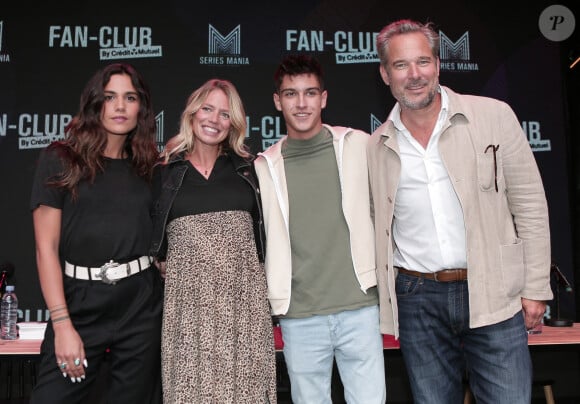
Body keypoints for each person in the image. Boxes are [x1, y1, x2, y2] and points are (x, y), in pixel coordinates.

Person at [367, 19, 553, 404]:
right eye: (401, 65)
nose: (414, 75)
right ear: (385, 74)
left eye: (423, 61)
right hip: (417, 298)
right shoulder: (375, 146)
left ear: (438, 64)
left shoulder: (493, 116)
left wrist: (535, 287)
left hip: (493, 288)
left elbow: (530, 205)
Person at [254, 55, 386, 404]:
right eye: (291, 94)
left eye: (310, 93)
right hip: (299, 315)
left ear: (324, 98)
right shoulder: (263, 167)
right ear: (277, 101)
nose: (301, 103)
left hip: (360, 306)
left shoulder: (358, 145)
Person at [29, 63, 163, 404]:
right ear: (94, 104)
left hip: (140, 308)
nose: (120, 106)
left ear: (141, 109)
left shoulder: (150, 167)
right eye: (109, 97)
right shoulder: (60, 159)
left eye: (130, 98)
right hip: (80, 307)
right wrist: (62, 325)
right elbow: (46, 248)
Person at [149, 78, 277, 404]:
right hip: (188, 309)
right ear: (192, 113)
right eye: (207, 109)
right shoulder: (164, 173)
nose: (214, 120)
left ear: (233, 123)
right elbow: (152, 239)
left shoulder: (249, 171)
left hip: (243, 307)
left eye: (224, 114)